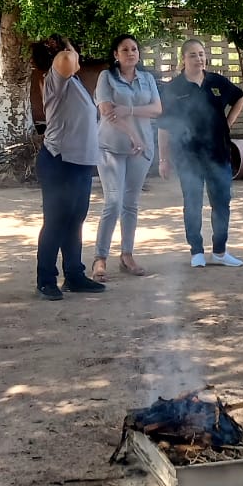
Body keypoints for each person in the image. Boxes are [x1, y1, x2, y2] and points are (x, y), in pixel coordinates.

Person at [157, 38, 243, 268]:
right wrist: (163, 159)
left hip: (218, 154)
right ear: (183, 59)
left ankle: (220, 251)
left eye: (201, 54)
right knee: (193, 203)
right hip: (188, 156)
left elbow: (240, 97)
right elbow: (164, 127)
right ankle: (196, 250)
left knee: (222, 203)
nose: (199, 59)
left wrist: (228, 122)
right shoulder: (172, 88)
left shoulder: (216, 82)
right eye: (193, 55)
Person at [33, 36, 106, 301]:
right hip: (59, 162)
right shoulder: (56, 78)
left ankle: (74, 275)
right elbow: (67, 60)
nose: (76, 55)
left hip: (80, 164)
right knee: (55, 223)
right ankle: (46, 280)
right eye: (71, 50)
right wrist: (64, 45)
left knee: (75, 222)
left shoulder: (72, 82)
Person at [94, 34, 162, 279]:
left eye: (134, 49)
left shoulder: (147, 79)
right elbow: (107, 110)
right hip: (111, 147)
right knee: (113, 202)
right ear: (116, 54)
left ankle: (127, 255)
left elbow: (157, 109)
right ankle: (99, 259)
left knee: (131, 204)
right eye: (125, 49)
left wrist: (131, 110)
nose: (131, 53)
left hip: (141, 150)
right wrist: (133, 134)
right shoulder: (106, 77)